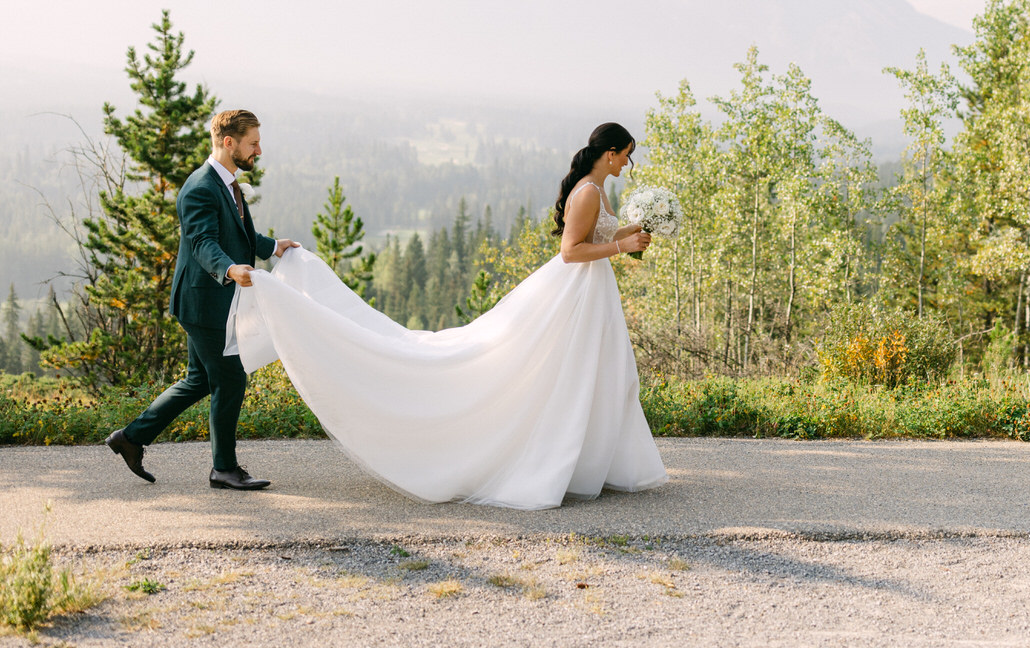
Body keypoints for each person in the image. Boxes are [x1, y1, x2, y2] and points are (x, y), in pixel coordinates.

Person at [223, 122, 667, 509]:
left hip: (592, 292)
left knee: (601, 373)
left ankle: (590, 462)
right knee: (564, 372)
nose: (628, 165)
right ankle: (562, 461)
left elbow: (600, 231)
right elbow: (571, 251)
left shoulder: (598, 188)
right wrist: (620, 246)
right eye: (626, 157)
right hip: (577, 288)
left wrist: (641, 226)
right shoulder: (588, 191)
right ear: (610, 153)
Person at [106, 109, 299, 490]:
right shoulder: (200, 187)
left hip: (211, 300)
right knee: (230, 379)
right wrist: (229, 270)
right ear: (229, 142)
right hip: (203, 303)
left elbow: (239, 234)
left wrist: (274, 247)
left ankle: (130, 438)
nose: (259, 150)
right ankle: (224, 468)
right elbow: (202, 243)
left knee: (198, 380)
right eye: (253, 143)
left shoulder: (228, 183)